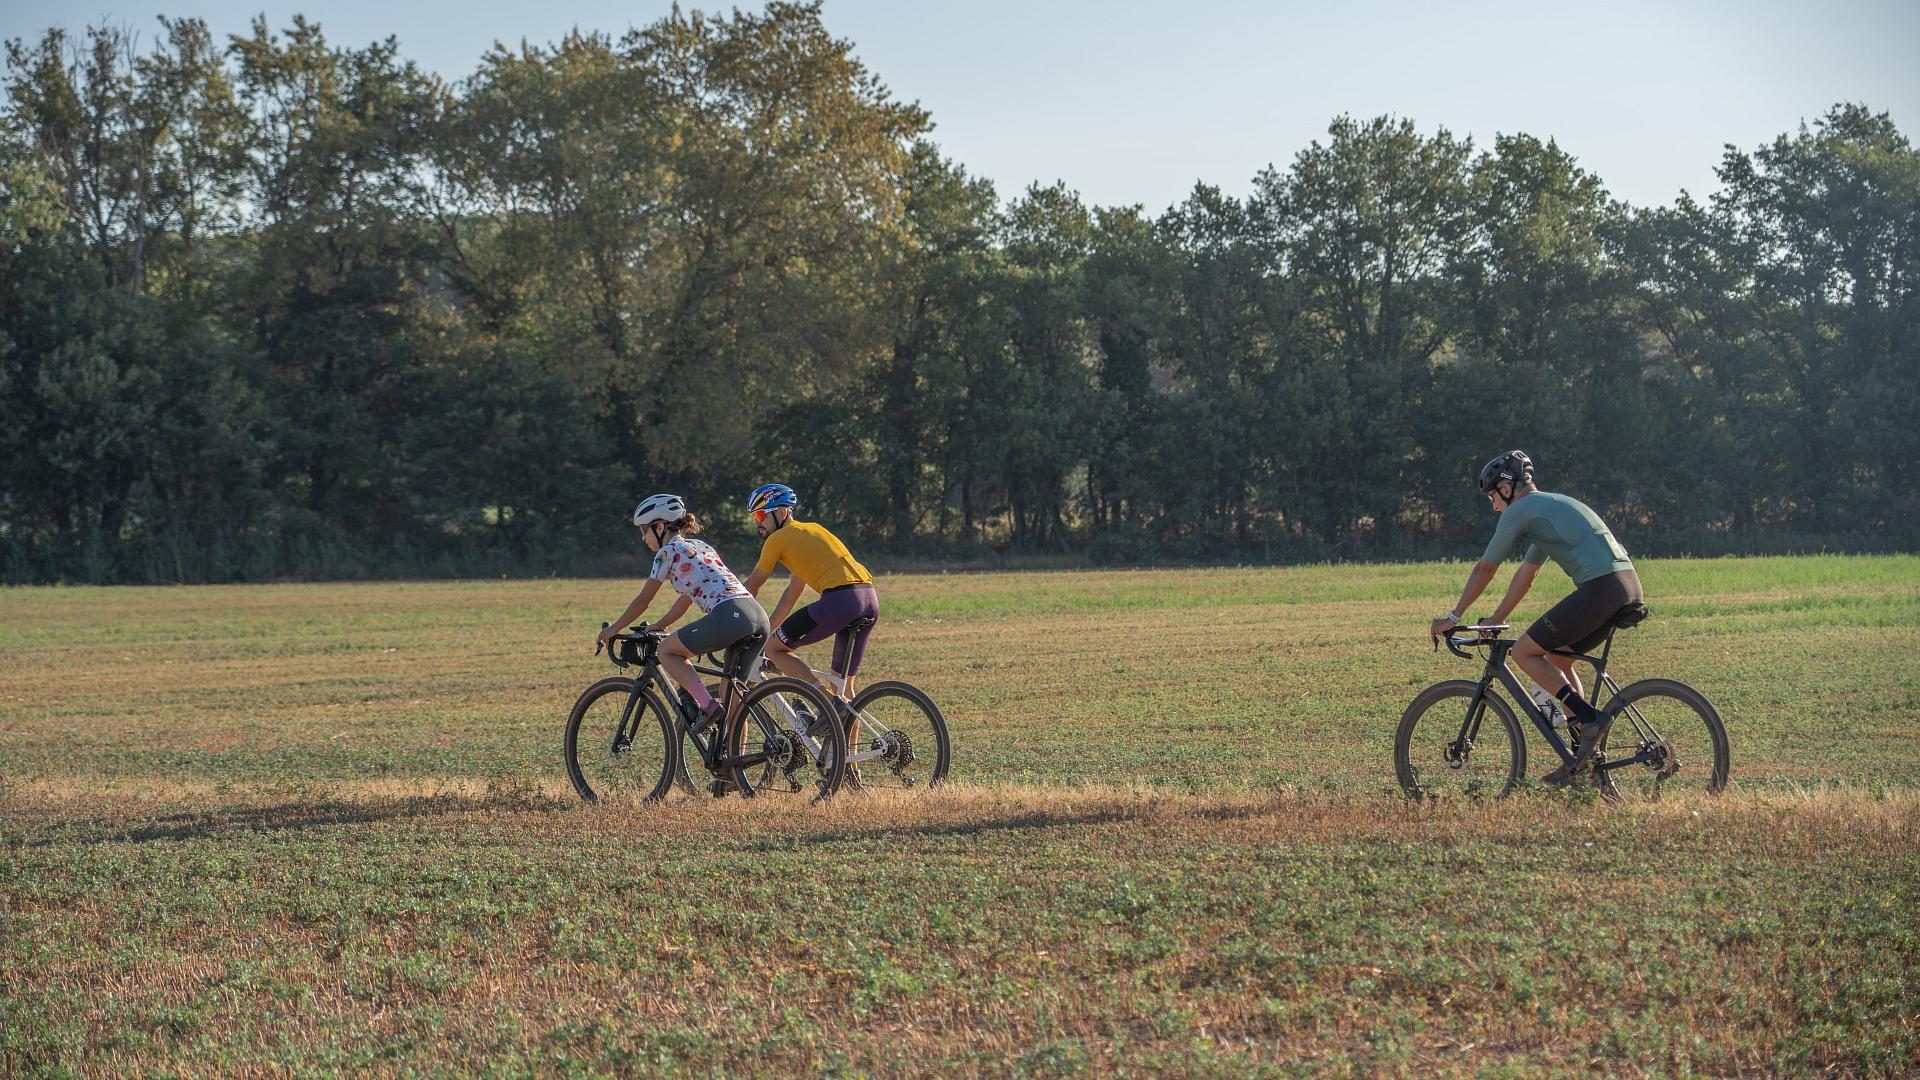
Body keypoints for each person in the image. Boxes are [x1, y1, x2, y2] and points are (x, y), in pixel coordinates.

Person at [1428, 451, 1644, 786]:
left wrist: (1454, 616)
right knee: (1557, 657)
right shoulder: (1547, 510)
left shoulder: (1521, 511)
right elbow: (1526, 576)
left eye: (1492, 496)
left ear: (1506, 487)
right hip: (1627, 585)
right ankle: (1581, 762)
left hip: (1602, 587)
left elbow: (1486, 567)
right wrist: (1497, 618)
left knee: (1524, 652)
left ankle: (1589, 720)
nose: (1493, 504)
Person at [597, 494, 771, 733]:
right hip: (758, 616)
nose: (643, 538)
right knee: (733, 703)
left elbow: (643, 601)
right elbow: (686, 599)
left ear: (659, 526)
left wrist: (613, 628)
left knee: (667, 651)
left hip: (730, 616)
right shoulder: (700, 546)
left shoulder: (667, 553)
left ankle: (708, 706)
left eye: (644, 531)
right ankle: (735, 766)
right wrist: (659, 624)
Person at [737, 483, 879, 710]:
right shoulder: (813, 530)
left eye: (761, 514)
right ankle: (848, 744)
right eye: (754, 516)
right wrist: (768, 631)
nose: (757, 522)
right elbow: (791, 594)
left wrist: (729, 614)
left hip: (841, 600)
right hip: (869, 598)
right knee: (844, 690)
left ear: (782, 512)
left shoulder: (778, 539)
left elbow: (752, 586)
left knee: (775, 650)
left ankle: (826, 708)